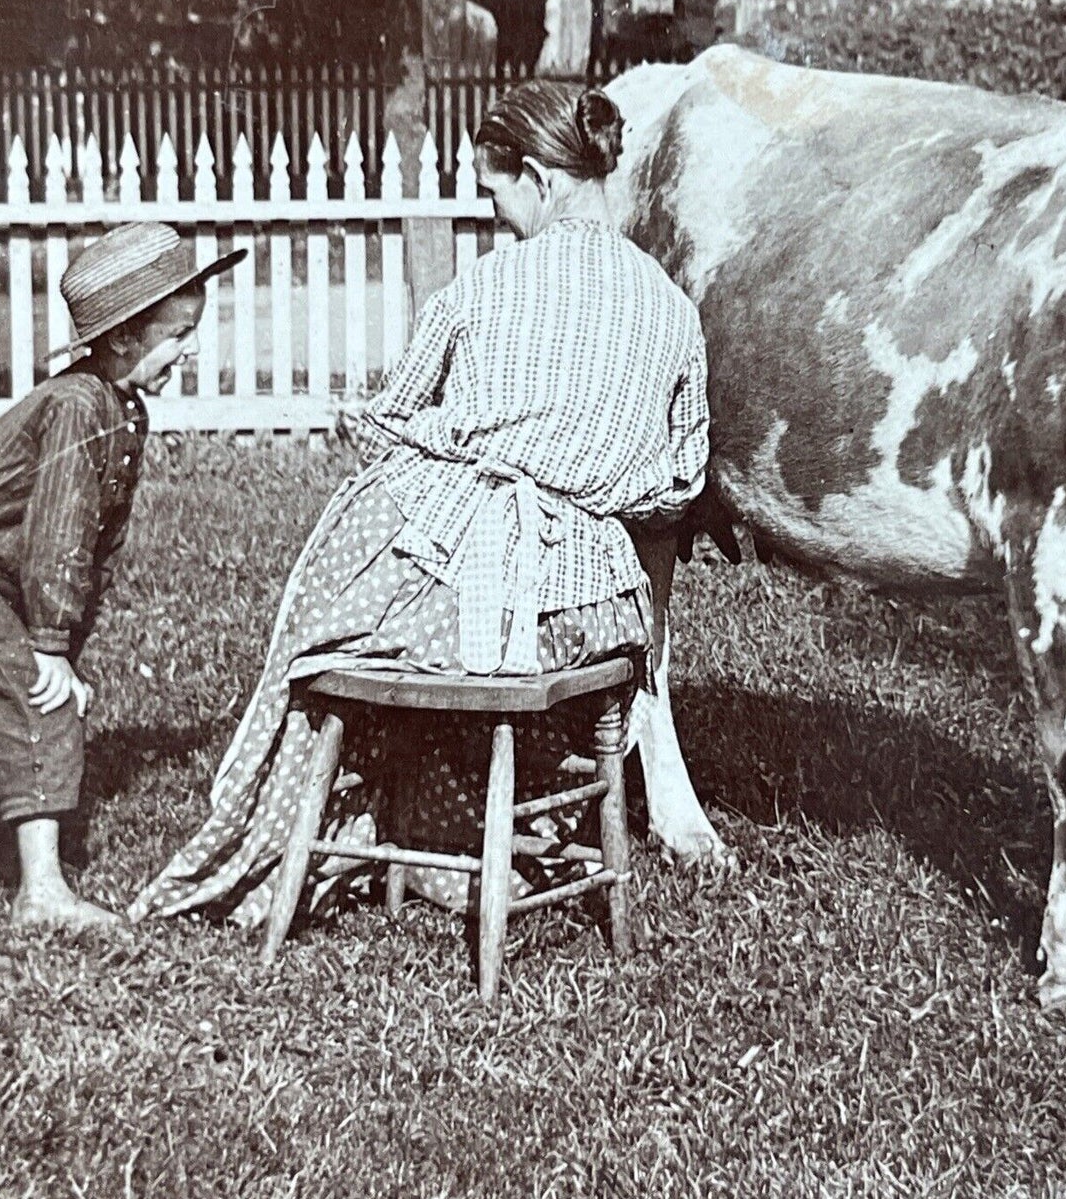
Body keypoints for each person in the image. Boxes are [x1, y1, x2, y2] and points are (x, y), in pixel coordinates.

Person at [130, 81, 710, 926]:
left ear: (540, 181)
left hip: (472, 592)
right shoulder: (671, 306)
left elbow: (395, 420)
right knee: (414, 612)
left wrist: (459, 443)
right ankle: (457, 842)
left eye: (497, 194)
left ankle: (257, 852)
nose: (498, 217)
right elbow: (681, 478)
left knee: (315, 646)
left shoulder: (489, 285)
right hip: (592, 616)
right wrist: (585, 477)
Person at [0, 223, 244, 931]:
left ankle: (37, 863)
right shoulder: (81, 405)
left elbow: (91, 550)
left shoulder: (121, 410)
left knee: (50, 695)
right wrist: (47, 647)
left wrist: (65, 647)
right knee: (39, 705)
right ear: (120, 340)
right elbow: (56, 532)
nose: (192, 349)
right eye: (177, 334)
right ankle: (41, 893)